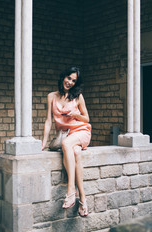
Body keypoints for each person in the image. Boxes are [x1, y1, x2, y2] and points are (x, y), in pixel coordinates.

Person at [42, 66, 91, 217]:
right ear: (63, 77)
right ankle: (83, 199)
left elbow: (87, 119)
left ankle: (71, 190)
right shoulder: (51, 96)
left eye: (73, 81)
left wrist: (76, 114)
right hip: (65, 134)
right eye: (68, 78)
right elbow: (48, 121)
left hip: (81, 131)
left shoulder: (78, 96)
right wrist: (42, 144)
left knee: (67, 145)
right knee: (75, 153)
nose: (70, 82)